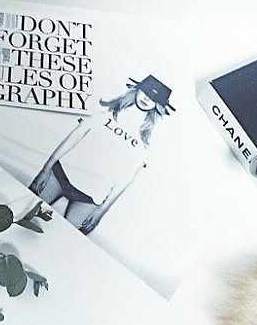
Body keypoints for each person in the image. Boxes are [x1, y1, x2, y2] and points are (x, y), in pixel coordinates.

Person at [30, 75, 175, 234]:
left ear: (160, 105)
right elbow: (76, 135)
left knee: (67, 240)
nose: (147, 98)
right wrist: (46, 168)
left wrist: (102, 210)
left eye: (154, 98)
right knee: (26, 215)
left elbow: (127, 177)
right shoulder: (109, 108)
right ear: (137, 89)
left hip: (91, 198)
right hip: (60, 175)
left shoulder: (151, 136)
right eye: (146, 92)